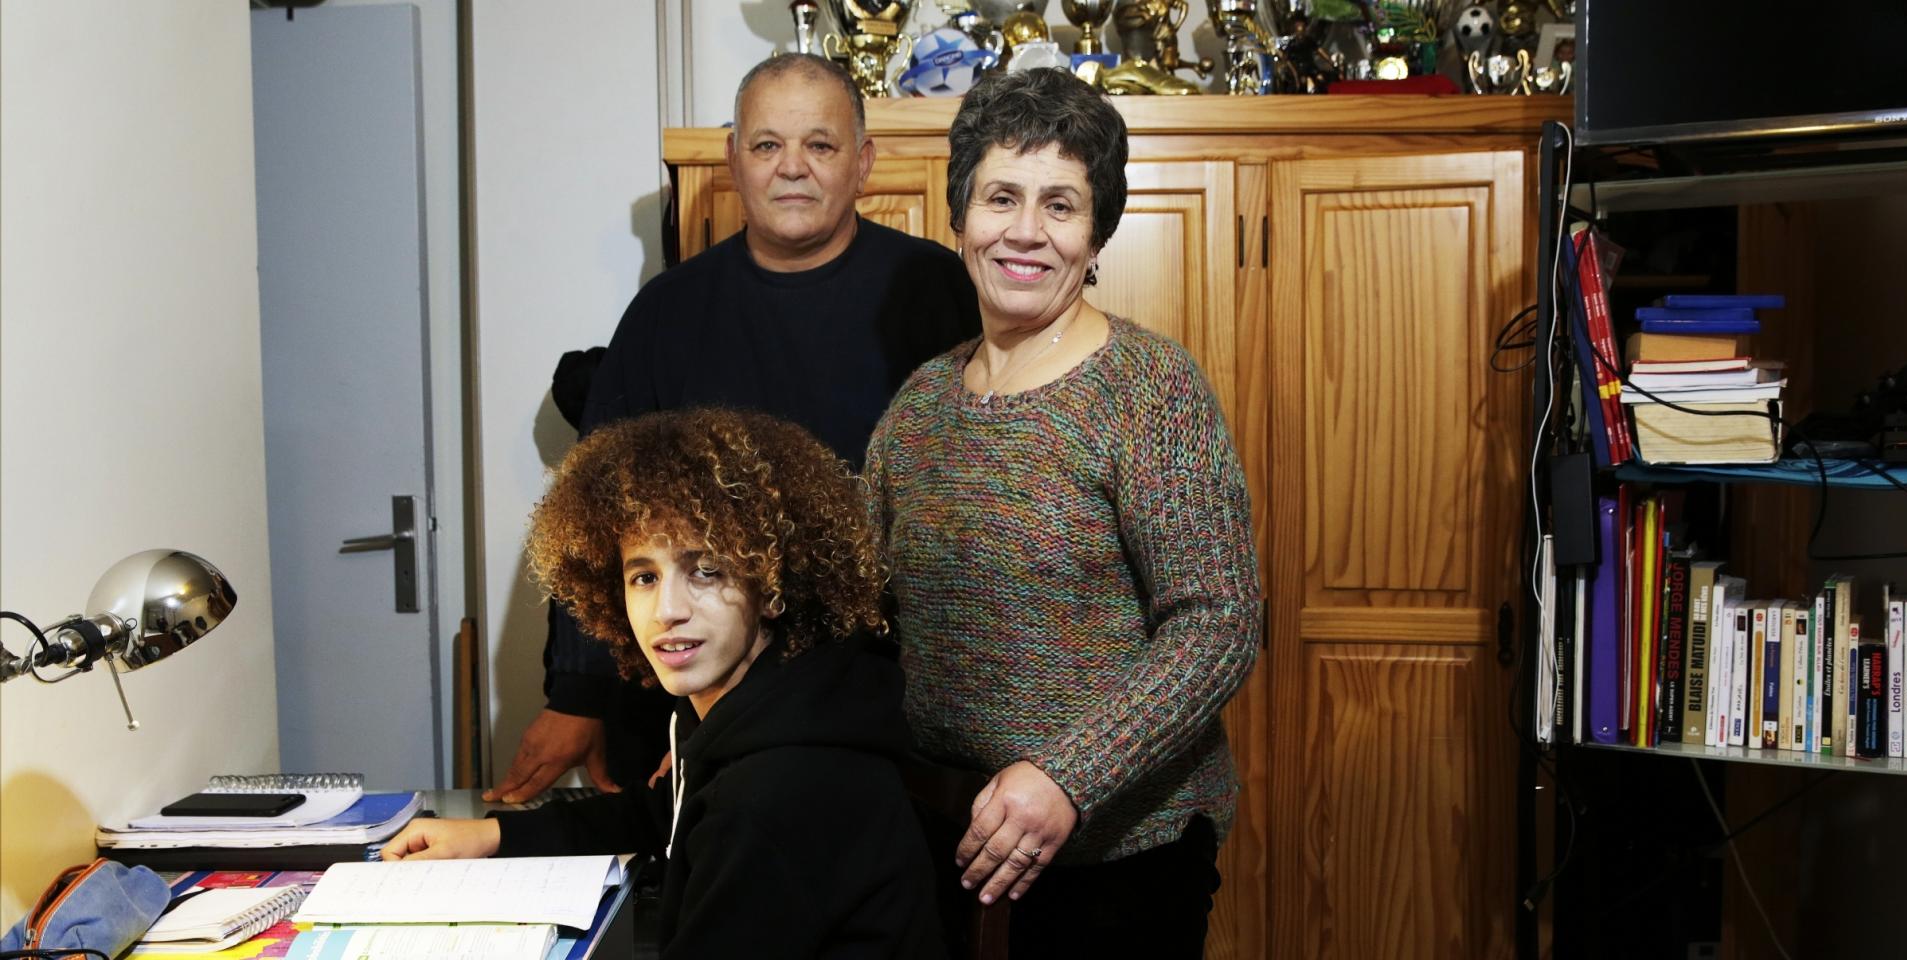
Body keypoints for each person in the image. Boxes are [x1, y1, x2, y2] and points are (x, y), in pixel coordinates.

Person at [487, 53, 979, 804]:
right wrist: (576, 698)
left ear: (863, 163)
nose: (793, 169)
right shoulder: (667, 314)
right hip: (703, 713)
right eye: (766, 145)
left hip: (892, 706)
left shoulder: (937, 290)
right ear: (733, 162)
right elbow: (599, 514)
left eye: (820, 145)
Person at [863, 68, 1263, 956]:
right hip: (943, 840)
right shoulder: (920, 404)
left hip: (1123, 853)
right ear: (959, 217)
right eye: (1001, 196)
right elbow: (863, 609)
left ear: (1095, 234)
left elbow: (1218, 622)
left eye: (1061, 204)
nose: (1026, 232)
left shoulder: (1151, 391)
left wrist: (1067, 777)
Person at [385, 409, 944, 958]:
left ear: (774, 587)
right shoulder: (749, 709)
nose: (667, 610)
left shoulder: (773, 794)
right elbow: (660, 815)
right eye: (644, 577)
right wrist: (494, 836)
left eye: (706, 570)